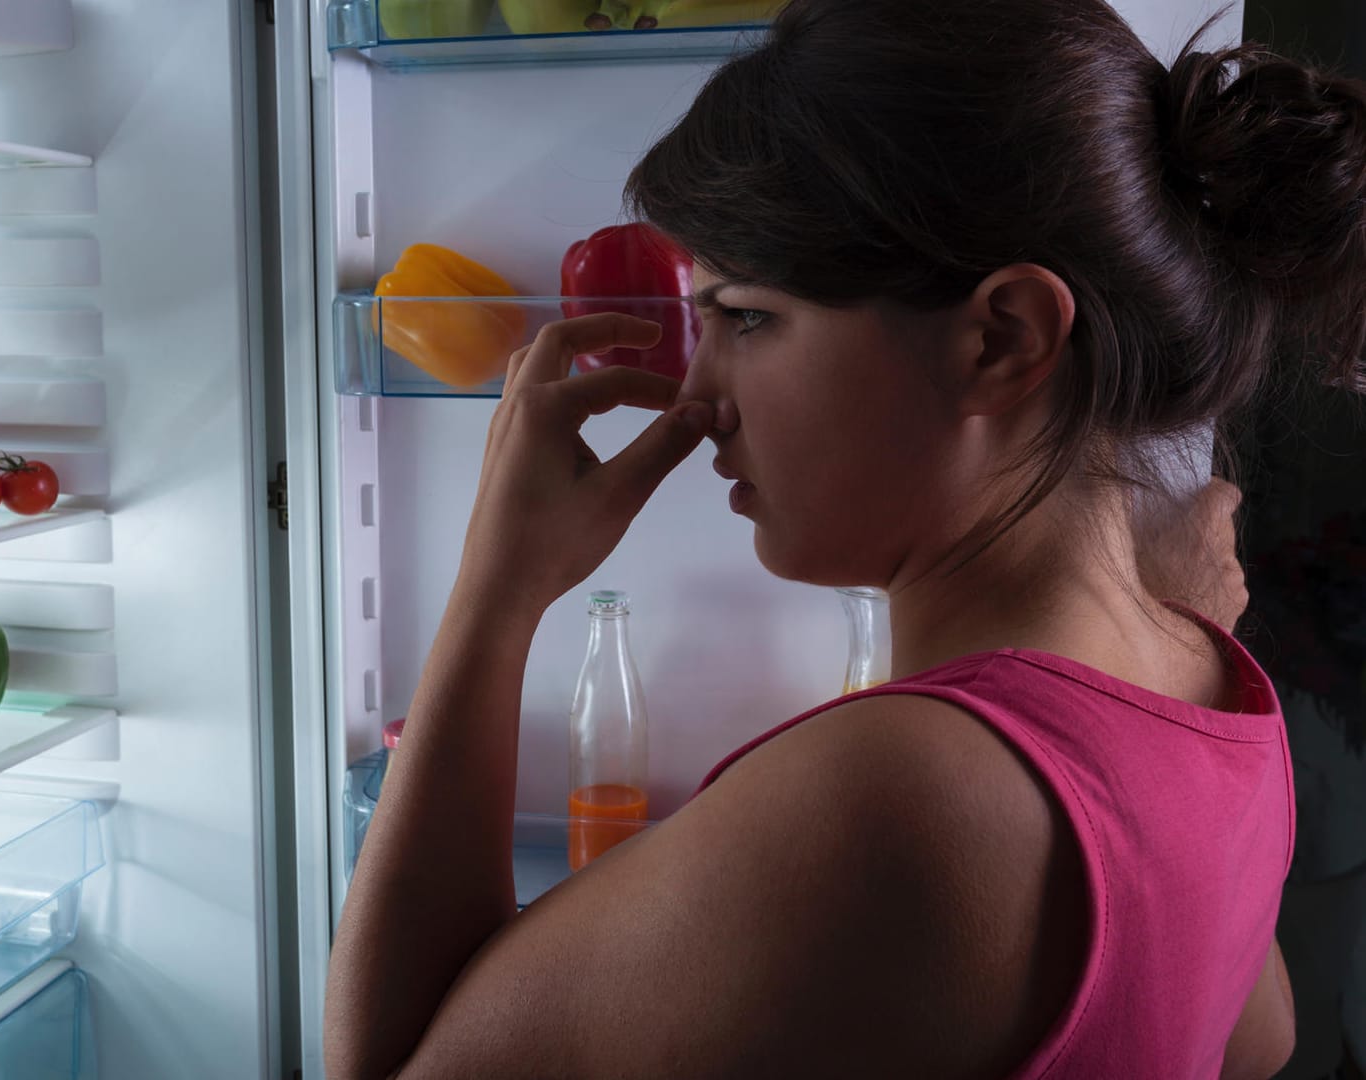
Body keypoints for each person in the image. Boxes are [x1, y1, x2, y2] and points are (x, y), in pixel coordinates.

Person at [324, 0, 1366, 1075]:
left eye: (747, 317)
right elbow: (1255, 1038)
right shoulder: (1212, 687)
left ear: (1000, 341)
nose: (697, 394)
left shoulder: (896, 796)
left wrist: (497, 592)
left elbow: (389, 1065)